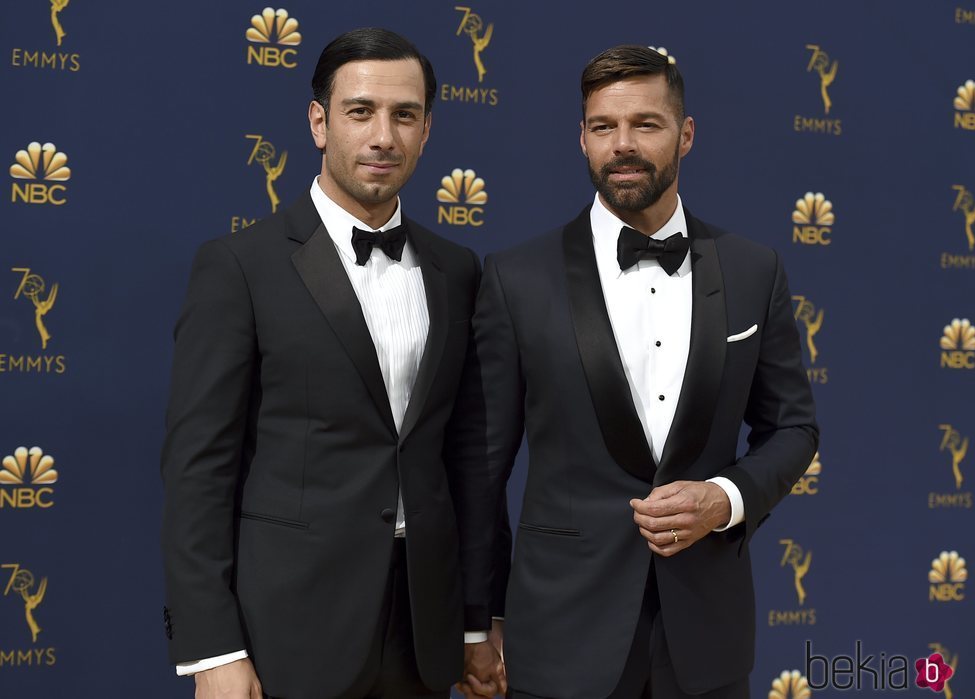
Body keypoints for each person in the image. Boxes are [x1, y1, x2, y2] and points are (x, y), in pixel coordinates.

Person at [453, 45, 818, 699]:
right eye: (603, 127)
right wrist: (478, 621)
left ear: (686, 134)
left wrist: (726, 499)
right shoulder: (516, 279)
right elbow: (482, 469)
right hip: (560, 638)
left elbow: (792, 426)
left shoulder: (752, 269)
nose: (622, 145)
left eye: (645, 124)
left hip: (707, 641)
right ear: (583, 138)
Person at [160, 27, 483, 699]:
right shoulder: (239, 266)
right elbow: (198, 471)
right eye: (360, 111)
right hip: (288, 630)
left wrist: (475, 623)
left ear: (427, 130)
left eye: (404, 115)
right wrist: (211, 645)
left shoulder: (457, 270)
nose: (382, 136)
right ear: (318, 122)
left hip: (422, 631)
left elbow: (465, 461)